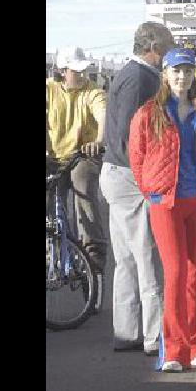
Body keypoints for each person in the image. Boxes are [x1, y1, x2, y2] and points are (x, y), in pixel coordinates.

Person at [128, 48, 196, 372]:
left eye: (187, 70)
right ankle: (174, 349)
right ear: (166, 75)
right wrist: (152, 191)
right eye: (175, 71)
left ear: (194, 74)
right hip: (165, 203)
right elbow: (136, 158)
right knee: (175, 272)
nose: (181, 77)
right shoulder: (148, 112)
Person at [100, 22, 175, 355]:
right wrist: (149, 175)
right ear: (154, 46)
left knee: (127, 259)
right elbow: (134, 132)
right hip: (130, 176)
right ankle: (153, 335)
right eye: (168, 46)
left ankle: (127, 330)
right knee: (148, 260)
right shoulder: (142, 77)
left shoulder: (128, 74)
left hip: (116, 172)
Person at [46, 46, 108, 267]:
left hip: (83, 155)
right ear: (63, 71)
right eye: (75, 71)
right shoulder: (49, 90)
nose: (81, 75)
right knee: (51, 196)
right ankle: (50, 243)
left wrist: (99, 141)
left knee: (82, 182)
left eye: (83, 71)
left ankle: (94, 251)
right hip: (53, 157)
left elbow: (103, 115)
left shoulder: (93, 91)